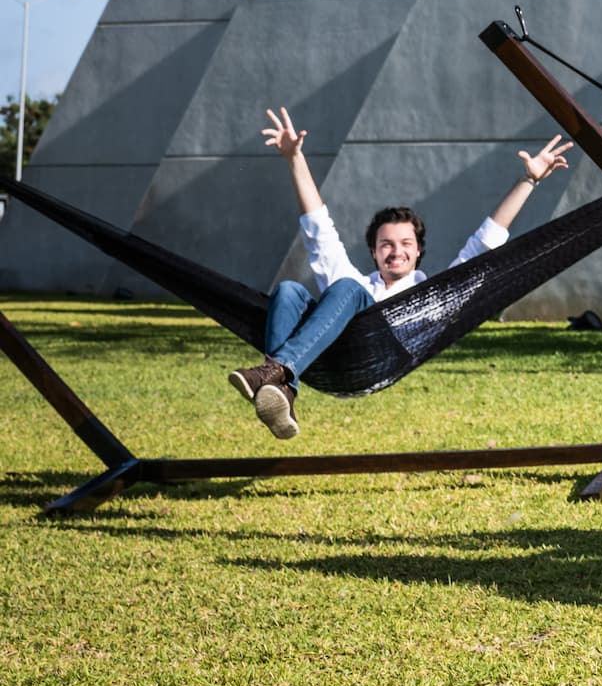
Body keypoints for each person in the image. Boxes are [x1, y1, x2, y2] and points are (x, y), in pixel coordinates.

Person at [227, 106, 573, 439]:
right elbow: (318, 230)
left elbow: (484, 244)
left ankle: (274, 372)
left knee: (347, 288)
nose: (396, 251)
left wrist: (529, 179)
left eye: (405, 243)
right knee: (288, 290)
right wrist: (295, 159)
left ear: (418, 250)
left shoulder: (432, 297)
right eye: (386, 244)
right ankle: (281, 390)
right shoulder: (355, 286)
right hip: (333, 355)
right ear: (374, 252)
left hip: (377, 362)